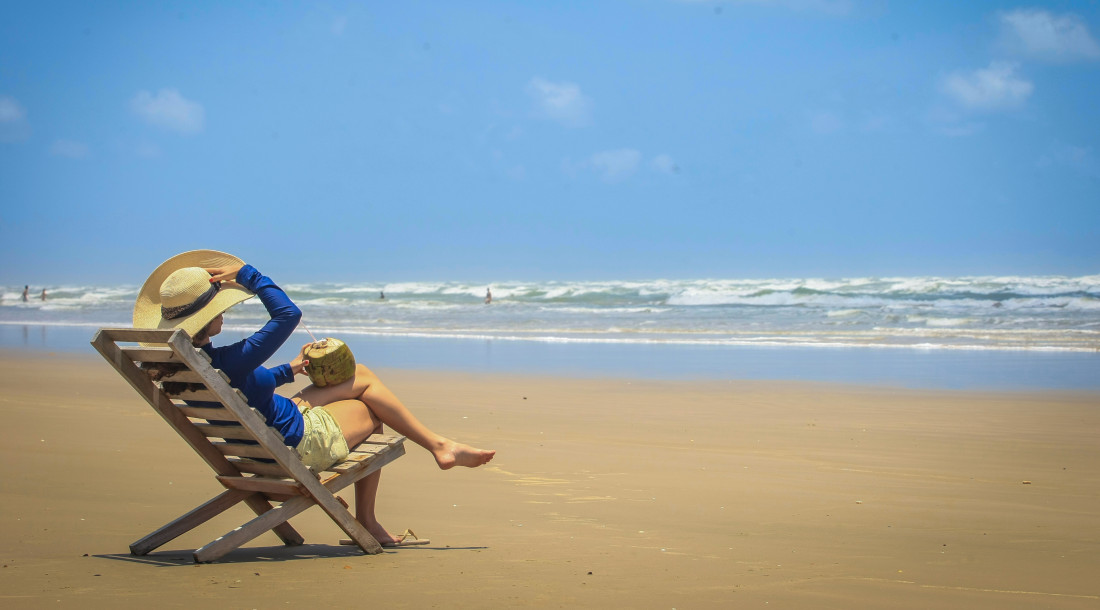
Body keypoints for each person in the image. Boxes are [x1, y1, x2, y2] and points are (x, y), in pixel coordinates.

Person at [133, 250, 495, 546]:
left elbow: (242, 386)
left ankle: (438, 447)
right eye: (220, 310)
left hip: (258, 444)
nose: (224, 314)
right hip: (296, 444)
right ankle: (413, 473)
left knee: (361, 375)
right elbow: (288, 314)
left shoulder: (186, 366)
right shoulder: (230, 359)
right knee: (371, 408)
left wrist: (289, 371)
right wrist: (248, 274)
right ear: (205, 318)